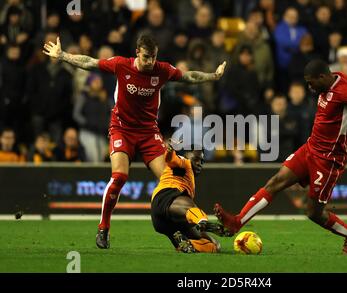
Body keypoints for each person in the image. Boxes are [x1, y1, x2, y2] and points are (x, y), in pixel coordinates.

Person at [214, 59, 347, 254]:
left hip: (329, 159)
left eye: (311, 83)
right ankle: (236, 222)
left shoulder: (345, 92)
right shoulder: (333, 79)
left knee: (314, 213)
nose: (310, 88)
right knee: (275, 182)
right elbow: (342, 75)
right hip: (310, 148)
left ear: (322, 77)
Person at [42, 34, 227, 249]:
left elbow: (189, 76)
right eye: (147, 57)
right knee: (119, 176)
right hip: (122, 129)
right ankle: (104, 228)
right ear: (137, 52)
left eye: (153, 57)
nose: (150, 62)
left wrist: (213, 76)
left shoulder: (162, 69)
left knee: (173, 182)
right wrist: (62, 55)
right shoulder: (122, 65)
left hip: (149, 133)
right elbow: (90, 62)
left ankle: (185, 233)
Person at [151, 142, 228, 253]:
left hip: (164, 223)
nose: (200, 163)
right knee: (191, 207)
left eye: (202, 161)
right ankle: (203, 222)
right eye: (196, 159)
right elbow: (170, 159)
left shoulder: (188, 175)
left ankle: (185, 244)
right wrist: (170, 150)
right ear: (187, 155)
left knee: (214, 246)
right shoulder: (184, 162)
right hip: (166, 198)